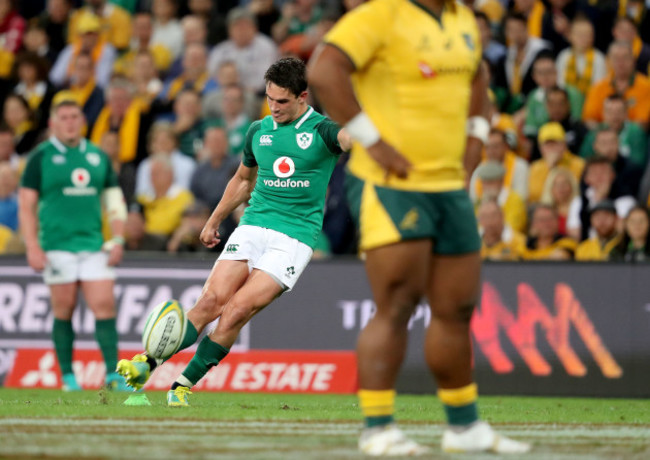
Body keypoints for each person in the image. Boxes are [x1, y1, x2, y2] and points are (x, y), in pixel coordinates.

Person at [308, 0, 530, 455]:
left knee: (457, 307)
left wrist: (474, 134)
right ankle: (378, 428)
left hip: (448, 185)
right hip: (392, 186)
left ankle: (464, 427)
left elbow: (477, 78)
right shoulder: (380, 14)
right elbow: (324, 71)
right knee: (396, 304)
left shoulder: (463, 18)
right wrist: (375, 143)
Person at [116, 58, 351, 405]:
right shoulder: (259, 130)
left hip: (295, 238)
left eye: (283, 101)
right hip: (253, 225)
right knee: (210, 301)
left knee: (238, 309)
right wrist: (214, 219)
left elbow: (349, 138)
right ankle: (144, 367)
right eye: (270, 99)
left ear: (303, 97)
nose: (274, 107)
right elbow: (243, 180)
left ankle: (181, 386)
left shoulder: (322, 131)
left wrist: (369, 128)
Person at [18, 98, 129, 391]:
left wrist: (117, 238)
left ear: (83, 121)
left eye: (75, 116)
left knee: (104, 306)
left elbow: (114, 202)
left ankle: (113, 376)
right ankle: (68, 377)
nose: (70, 122)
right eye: (63, 117)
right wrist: (32, 246)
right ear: (53, 123)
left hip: (93, 245)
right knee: (63, 309)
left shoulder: (97, 156)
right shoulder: (40, 157)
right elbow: (26, 205)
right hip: (56, 246)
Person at [528, 122, 584, 203]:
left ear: (564, 144)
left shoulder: (579, 164)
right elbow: (535, 196)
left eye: (555, 143)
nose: (551, 148)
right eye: (547, 144)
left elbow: (578, 192)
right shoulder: (535, 168)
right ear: (540, 148)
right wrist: (550, 167)